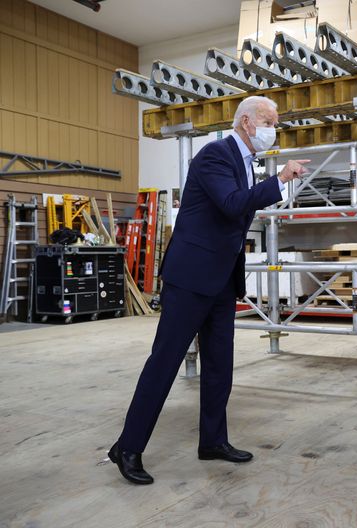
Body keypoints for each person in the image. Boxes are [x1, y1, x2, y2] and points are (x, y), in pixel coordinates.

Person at [109, 96, 309, 485]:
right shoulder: (214, 155)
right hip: (191, 277)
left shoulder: (246, 162)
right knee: (164, 363)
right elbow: (232, 205)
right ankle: (128, 448)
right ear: (247, 123)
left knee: (219, 365)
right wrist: (280, 180)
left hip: (220, 278)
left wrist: (273, 182)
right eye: (269, 121)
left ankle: (213, 441)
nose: (274, 129)